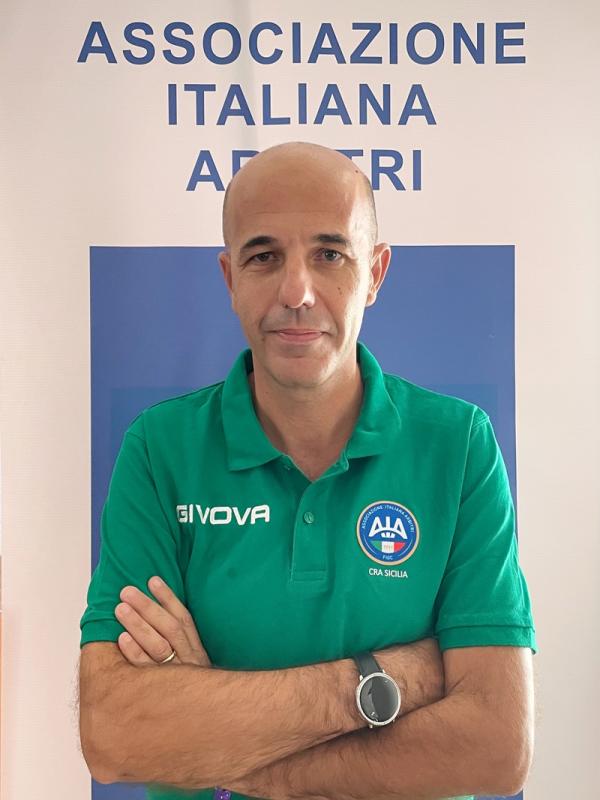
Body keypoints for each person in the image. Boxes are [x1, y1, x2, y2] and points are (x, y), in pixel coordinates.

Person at [78, 141, 537, 800]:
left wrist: (224, 742)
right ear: (230, 278)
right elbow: (115, 733)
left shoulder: (458, 445)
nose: (297, 293)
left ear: (375, 273)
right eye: (264, 257)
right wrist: (386, 680)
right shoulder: (160, 449)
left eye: (330, 255)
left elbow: (495, 746)